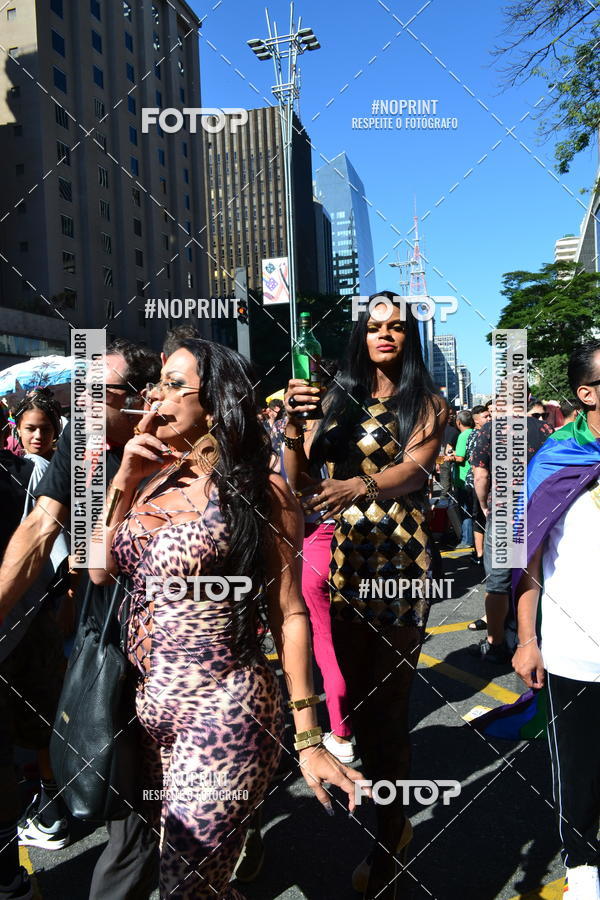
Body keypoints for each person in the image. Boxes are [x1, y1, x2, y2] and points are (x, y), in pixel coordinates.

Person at [90, 339, 363, 899]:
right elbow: (98, 571)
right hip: (152, 715)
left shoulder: (259, 493)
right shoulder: (149, 483)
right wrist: (122, 483)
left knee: (184, 885)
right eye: (155, 385)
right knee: (201, 884)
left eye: (171, 384)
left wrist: (309, 736)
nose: (153, 398)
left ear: (213, 404)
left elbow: (290, 615)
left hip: (226, 713)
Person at [284, 292, 447, 899]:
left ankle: (389, 847)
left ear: (410, 337)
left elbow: (416, 471)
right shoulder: (333, 401)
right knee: (351, 697)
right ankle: (389, 821)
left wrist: (359, 483)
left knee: (388, 711)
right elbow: (299, 481)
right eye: (375, 327)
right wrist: (294, 432)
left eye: (397, 327)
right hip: (346, 564)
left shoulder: (426, 402)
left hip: (400, 565)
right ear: (362, 335)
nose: (385, 335)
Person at [0, 340, 162, 900]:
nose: (85, 404)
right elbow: (41, 526)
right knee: (121, 783)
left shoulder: (186, 445)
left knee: (141, 805)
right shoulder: (83, 441)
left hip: (174, 652)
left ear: (142, 400)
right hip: (102, 642)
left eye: (101, 393)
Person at [513, 339, 600, 900]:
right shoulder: (556, 460)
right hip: (575, 648)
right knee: (579, 767)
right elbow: (529, 556)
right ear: (586, 393)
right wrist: (526, 638)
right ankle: (583, 866)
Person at [470, 399, 553, 662]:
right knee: (535, 575)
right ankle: (532, 638)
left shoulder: (488, 430)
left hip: (504, 512)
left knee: (498, 582)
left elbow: (480, 476)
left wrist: (484, 506)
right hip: (536, 511)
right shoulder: (544, 430)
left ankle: (495, 644)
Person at [467, 405, 490, 572]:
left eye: (490, 416)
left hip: (485, 480)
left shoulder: (489, 432)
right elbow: (475, 463)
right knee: (480, 516)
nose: (489, 419)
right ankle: (480, 554)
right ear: (476, 421)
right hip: (478, 481)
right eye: (486, 417)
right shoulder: (477, 435)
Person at [449, 410, 475, 549]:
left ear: (458, 422)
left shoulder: (463, 435)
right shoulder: (475, 432)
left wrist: (449, 457)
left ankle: (466, 540)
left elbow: (459, 458)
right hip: (473, 477)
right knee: (471, 509)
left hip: (463, 478)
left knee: (465, 511)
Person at [13, 388, 62, 460]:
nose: (38, 436)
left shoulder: (69, 467)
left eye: (45, 429)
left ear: (55, 430)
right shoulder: (12, 469)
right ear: (18, 430)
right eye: (30, 429)